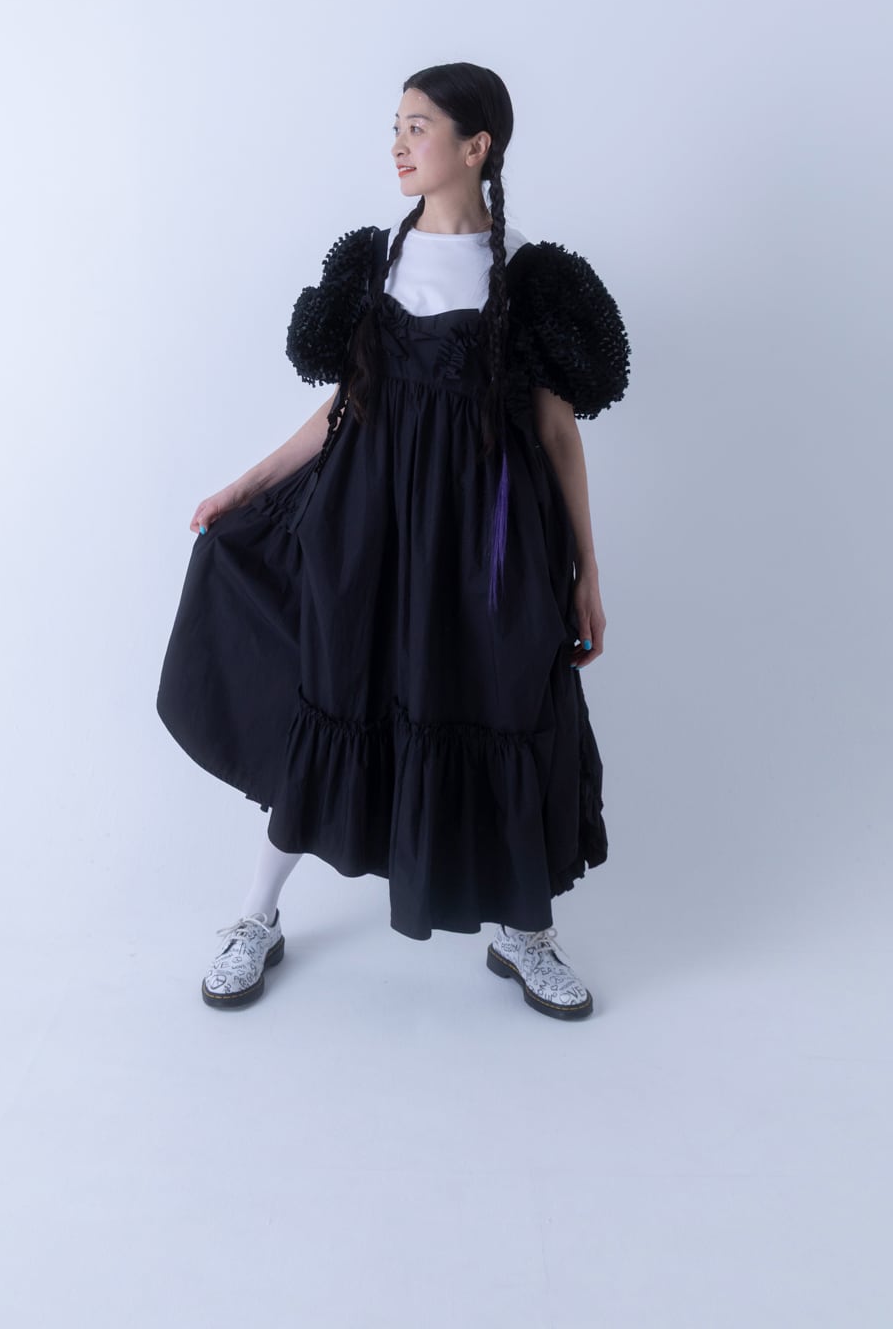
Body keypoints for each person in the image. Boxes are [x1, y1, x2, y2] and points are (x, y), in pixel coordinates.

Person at [155, 62, 630, 1019]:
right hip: (370, 532)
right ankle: (256, 917)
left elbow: (557, 434)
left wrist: (587, 572)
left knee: (499, 703)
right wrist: (245, 485)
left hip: (490, 545)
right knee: (339, 698)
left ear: (476, 146)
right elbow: (345, 409)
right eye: (397, 126)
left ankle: (523, 931)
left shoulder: (529, 276)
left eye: (419, 127)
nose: (400, 144)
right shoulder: (378, 261)